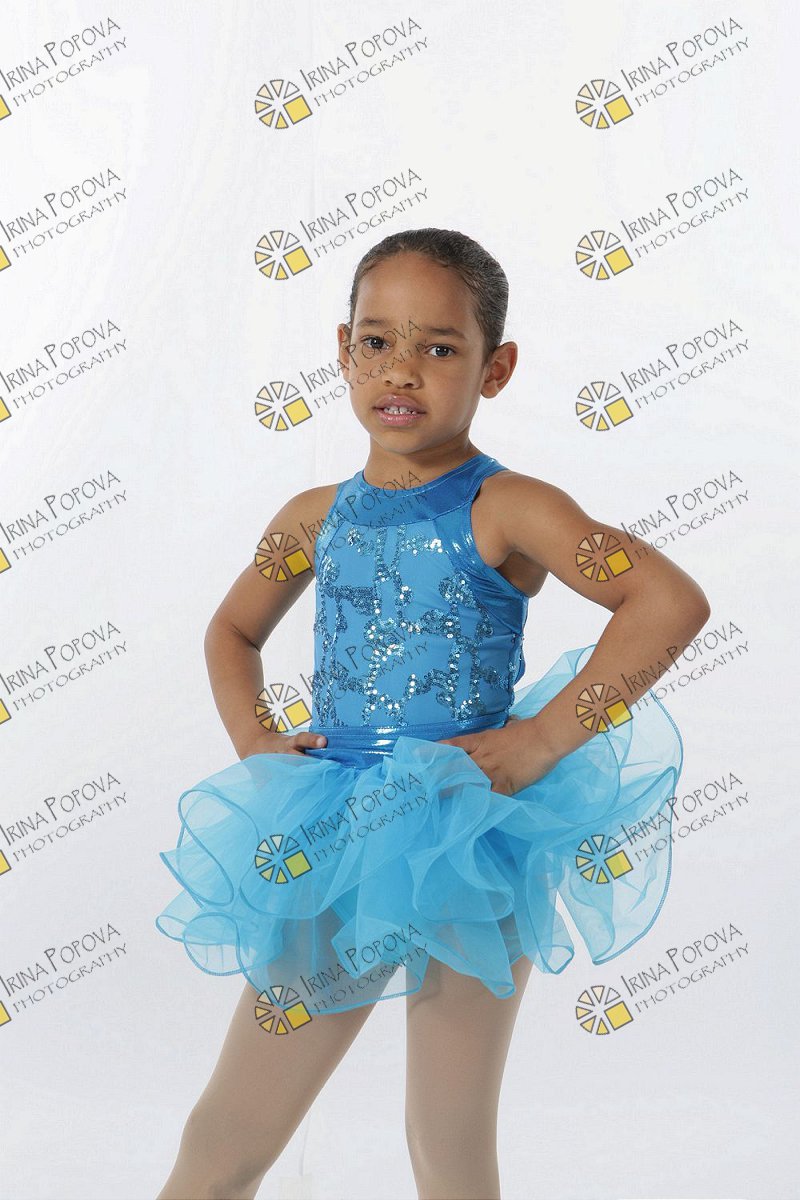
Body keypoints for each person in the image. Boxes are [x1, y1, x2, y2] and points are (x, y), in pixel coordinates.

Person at [154, 227, 710, 1200]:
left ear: (496, 368)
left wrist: (540, 740)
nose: (400, 370)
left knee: (445, 1144)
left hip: (466, 836)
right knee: (227, 1130)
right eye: (376, 342)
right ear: (342, 350)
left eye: (439, 348)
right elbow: (231, 632)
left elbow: (665, 600)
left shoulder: (507, 507)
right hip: (333, 831)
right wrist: (255, 741)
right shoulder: (312, 517)